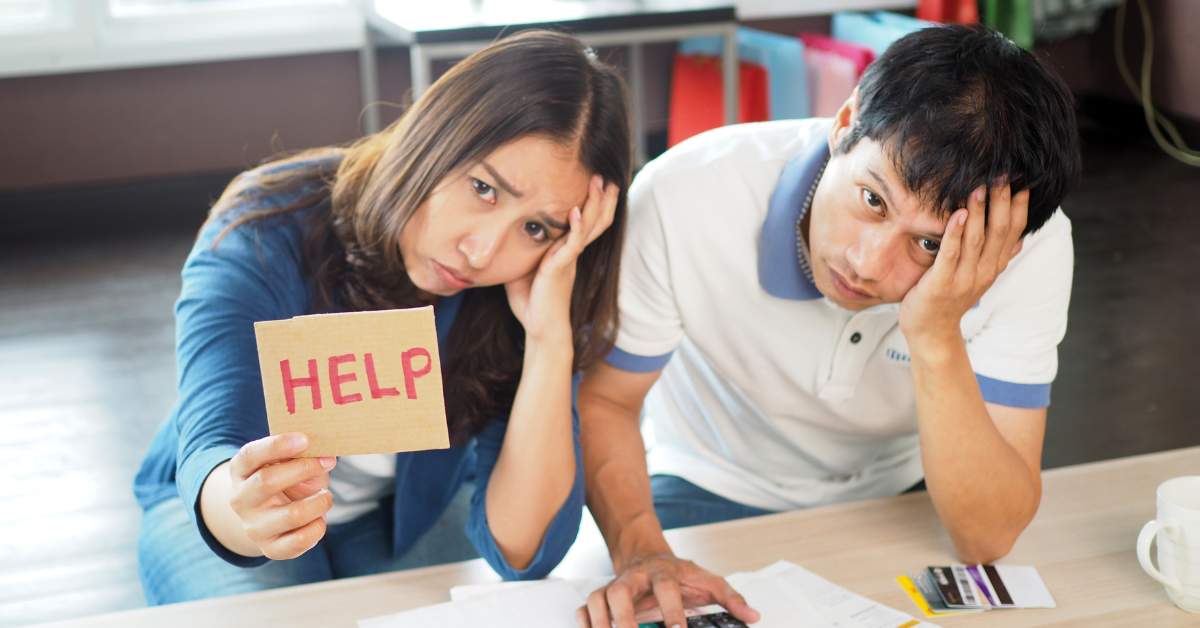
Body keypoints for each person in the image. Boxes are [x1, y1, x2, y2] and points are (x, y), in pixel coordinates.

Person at [577, 24, 1080, 627]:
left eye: (926, 243)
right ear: (845, 124)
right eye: (872, 200)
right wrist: (644, 551)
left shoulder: (1024, 252)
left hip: (905, 489)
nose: (867, 265)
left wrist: (936, 335)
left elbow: (987, 538)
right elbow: (606, 403)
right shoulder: (684, 194)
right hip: (707, 481)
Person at [133, 30, 631, 605]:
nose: (485, 251)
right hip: (223, 509)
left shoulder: (528, 288)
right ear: (435, 136)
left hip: (401, 516)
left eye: (537, 227)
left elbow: (524, 551)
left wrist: (549, 340)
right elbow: (215, 440)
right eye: (484, 188)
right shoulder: (269, 220)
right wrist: (245, 508)